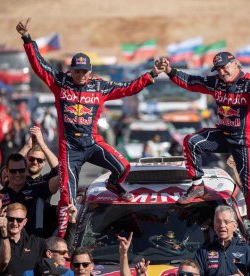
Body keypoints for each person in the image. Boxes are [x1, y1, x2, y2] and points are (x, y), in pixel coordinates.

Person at [16, 18, 164, 236]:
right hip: (69, 148)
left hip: (93, 142)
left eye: (85, 71)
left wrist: (151, 75)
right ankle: (65, 240)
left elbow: (128, 88)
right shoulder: (60, 82)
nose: (81, 75)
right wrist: (27, 39)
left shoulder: (100, 86)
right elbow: (40, 65)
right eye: (77, 71)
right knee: (67, 197)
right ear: (71, 70)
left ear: (90, 71)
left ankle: (114, 186)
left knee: (124, 168)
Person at [157, 38, 250, 219]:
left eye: (225, 67)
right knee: (191, 141)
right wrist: (169, 71)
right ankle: (197, 186)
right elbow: (191, 82)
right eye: (218, 69)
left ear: (236, 64)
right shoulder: (216, 82)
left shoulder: (249, 83)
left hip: (244, 142)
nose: (222, 71)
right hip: (223, 135)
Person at [194, 205, 250, 275]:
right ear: (214, 226)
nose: (222, 225)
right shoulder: (202, 252)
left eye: (226, 222)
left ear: (235, 226)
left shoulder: (247, 251)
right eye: (218, 221)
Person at [1, 153, 59, 237]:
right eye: (13, 171)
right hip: (6, 242)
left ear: (26, 170)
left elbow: (61, 175)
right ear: (6, 171)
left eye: (21, 170)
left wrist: (43, 146)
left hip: (33, 244)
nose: (17, 174)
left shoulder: (36, 189)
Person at [3, 203, 46, 276]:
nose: (14, 223)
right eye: (10, 219)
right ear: (5, 219)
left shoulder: (37, 243)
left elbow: (60, 250)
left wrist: (72, 223)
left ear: (25, 222)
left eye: (19, 220)